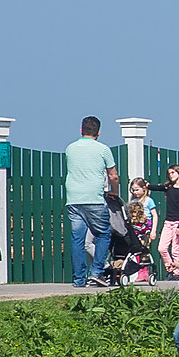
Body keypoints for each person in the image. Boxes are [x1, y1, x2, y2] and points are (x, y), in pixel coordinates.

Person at [65, 116, 118, 289]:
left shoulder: (70, 148)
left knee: (77, 239)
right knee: (103, 234)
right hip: (94, 198)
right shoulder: (103, 149)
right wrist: (114, 192)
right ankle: (96, 272)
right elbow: (113, 176)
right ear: (99, 132)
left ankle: (78, 279)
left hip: (73, 198)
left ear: (81, 130)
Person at [155, 160, 179, 275]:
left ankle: (177, 272)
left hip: (178, 223)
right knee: (162, 248)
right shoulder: (168, 187)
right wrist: (146, 186)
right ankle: (172, 268)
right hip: (168, 222)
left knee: (175, 250)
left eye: (173, 173)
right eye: (169, 173)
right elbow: (158, 187)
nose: (171, 175)